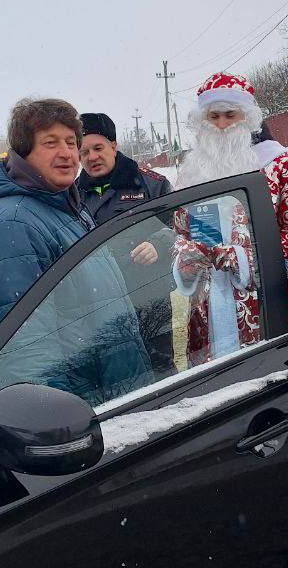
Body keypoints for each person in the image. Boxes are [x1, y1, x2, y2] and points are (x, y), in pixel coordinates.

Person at [0, 98, 152, 405]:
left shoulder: (64, 206)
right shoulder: (14, 224)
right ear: (23, 152)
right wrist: (66, 430)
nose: (67, 153)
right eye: (50, 142)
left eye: (71, 142)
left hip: (113, 395)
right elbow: (30, 355)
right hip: (85, 411)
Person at [172, 72, 288, 366]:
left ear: (248, 118)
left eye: (231, 115)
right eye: (214, 116)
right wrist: (184, 257)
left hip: (267, 308)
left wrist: (244, 260)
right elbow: (180, 230)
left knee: (271, 398)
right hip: (206, 310)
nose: (223, 124)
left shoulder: (279, 166)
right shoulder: (192, 172)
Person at [75, 112, 178, 377]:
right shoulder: (73, 195)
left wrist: (160, 243)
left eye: (98, 148)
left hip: (150, 297)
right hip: (102, 302)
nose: (92, 157)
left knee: (160, 372)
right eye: (84, 152)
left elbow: (181, 228)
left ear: (114, 145)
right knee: (119, 375)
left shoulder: (152, 184)